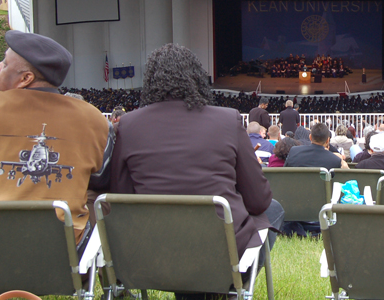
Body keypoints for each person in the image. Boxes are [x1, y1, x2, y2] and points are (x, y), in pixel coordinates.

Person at [109, 43, 283, 280]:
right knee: (274, 209)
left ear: (151, 81)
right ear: (196, 78)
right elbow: (258, 200)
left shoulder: (128, 125)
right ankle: (233, 285)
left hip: (153, 248)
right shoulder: (228, 119)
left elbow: (121, 197)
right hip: (221, 249)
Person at [0, 30, 110, 247]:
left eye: (5, 63)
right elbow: (101, 180)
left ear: (25, 79)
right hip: (64, 257)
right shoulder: (96, 119)